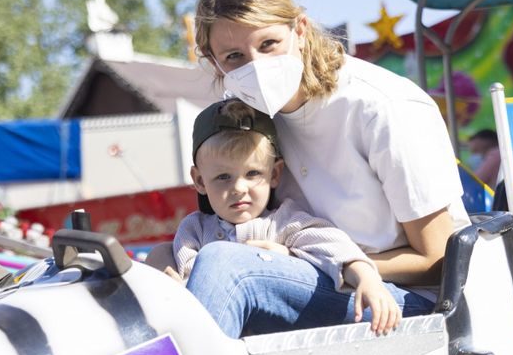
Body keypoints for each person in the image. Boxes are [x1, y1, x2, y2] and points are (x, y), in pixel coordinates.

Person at [161, 0, 468, 338]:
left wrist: (304, 262)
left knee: (230, 266)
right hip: (303, 283)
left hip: (400, 300)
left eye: (268, 44)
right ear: (213, 61)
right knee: (142, 267)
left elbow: (439, 259)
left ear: (300, 31)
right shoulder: (245, 114)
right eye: (234, 57)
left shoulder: (382, 106)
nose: (256, 66)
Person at [170, 99, 398, 335]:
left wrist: (365, 277)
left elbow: (333, 247)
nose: (239, 187)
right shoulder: (194, 229)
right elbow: (188, 278)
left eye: (252, 173)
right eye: (223, 177)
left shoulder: (284, 222)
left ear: (275, 173)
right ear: (199, 181)